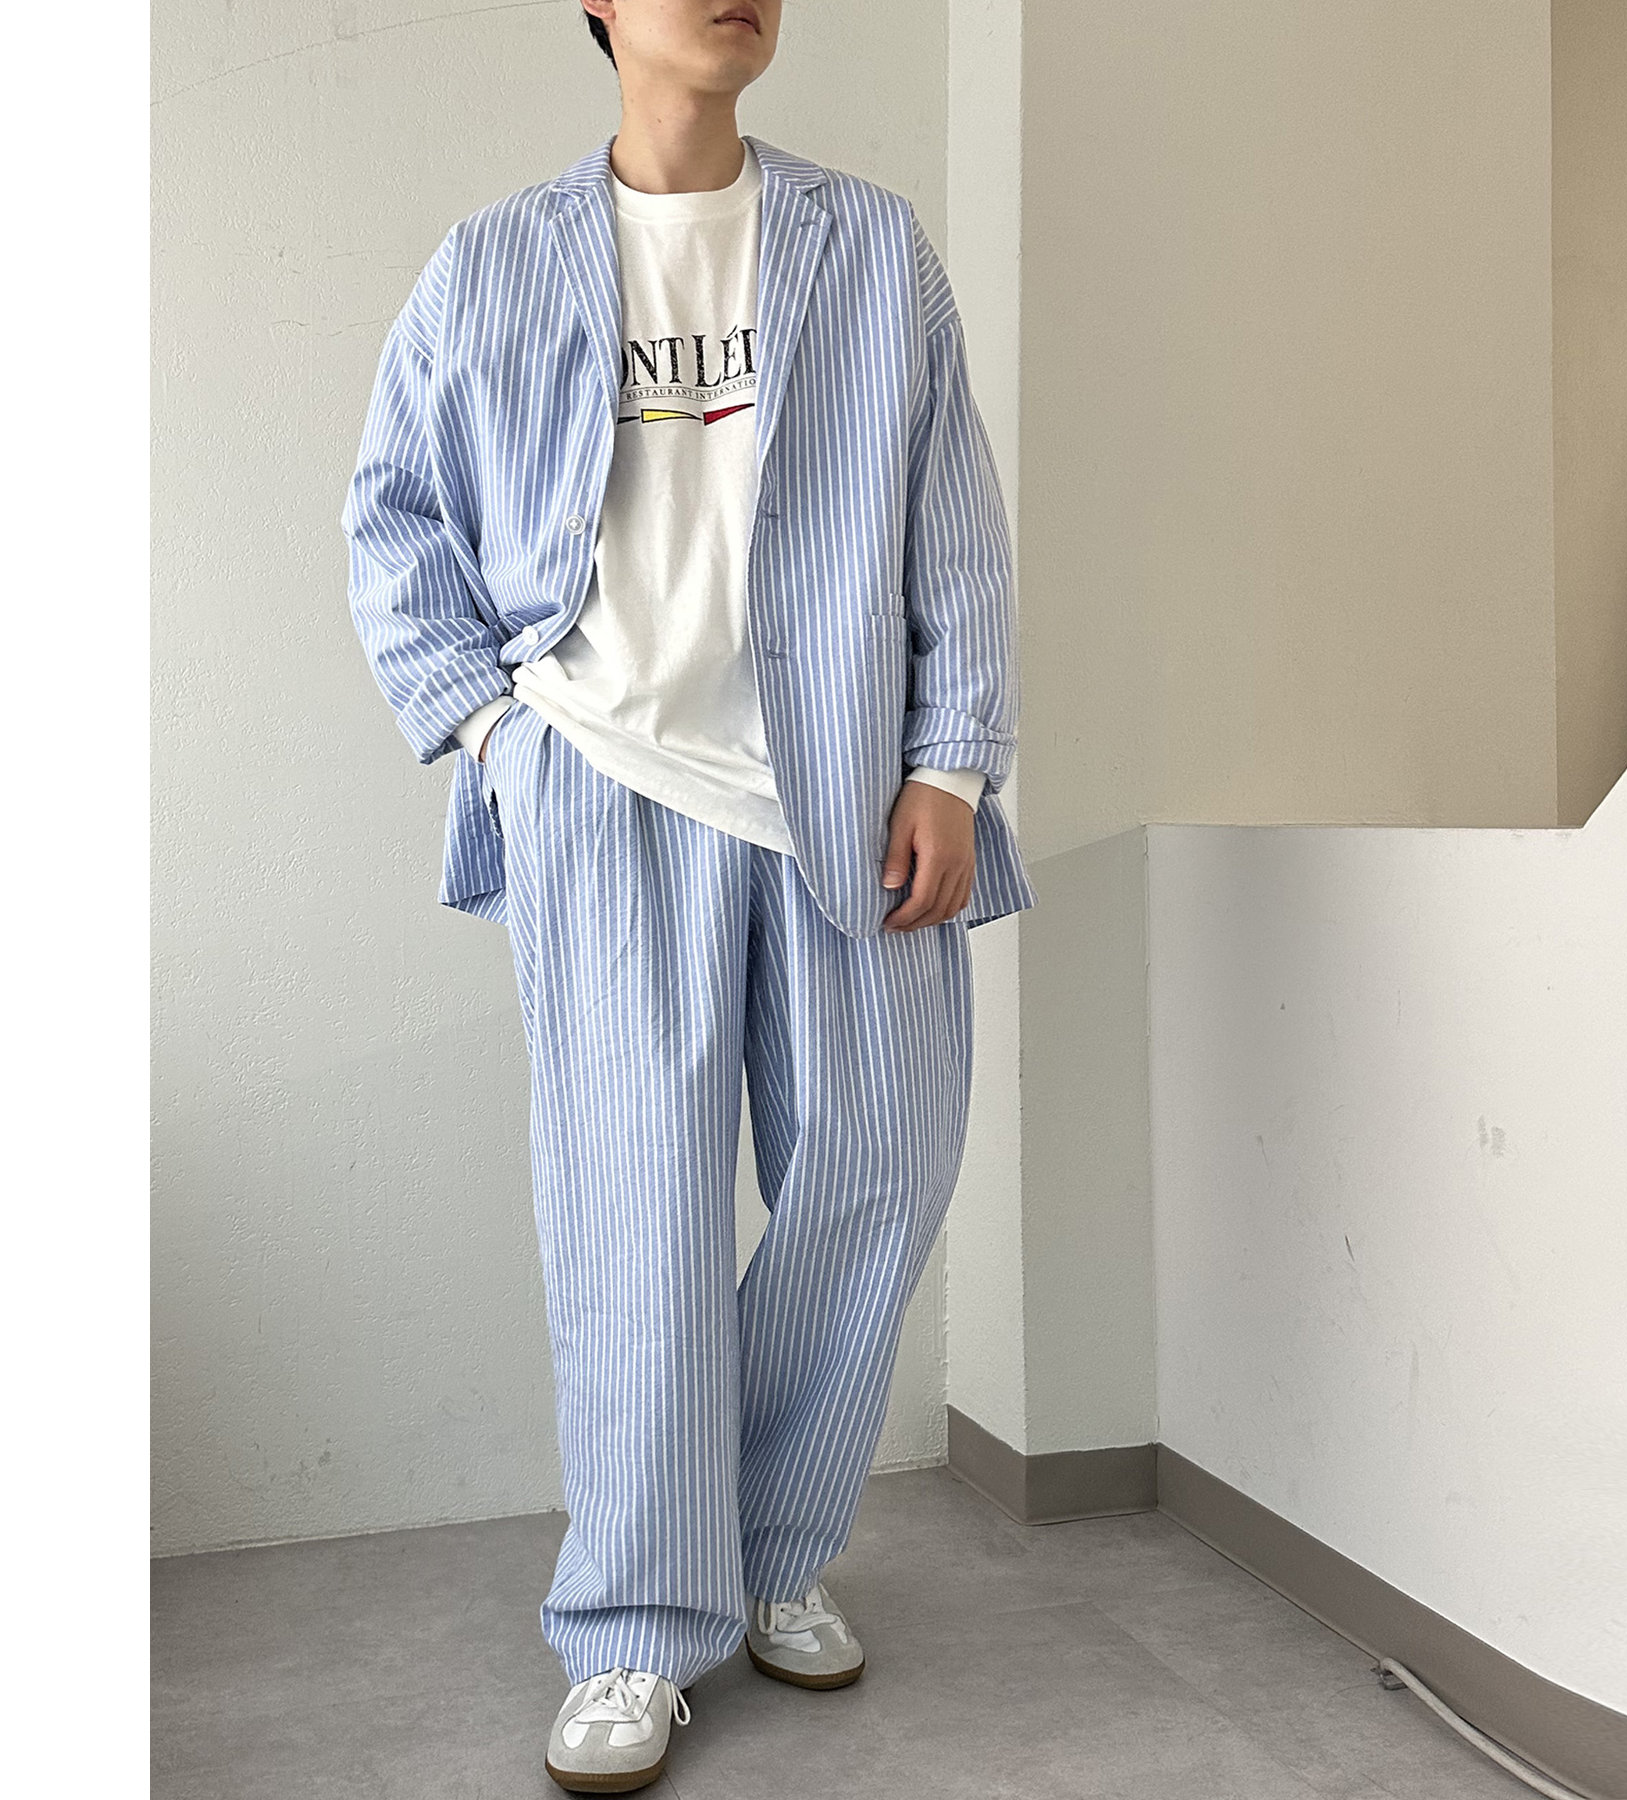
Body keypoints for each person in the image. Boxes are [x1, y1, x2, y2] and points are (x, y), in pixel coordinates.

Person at [341, 0, 1035, 1788]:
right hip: (607, 789)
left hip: (846, 796)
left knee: (881, 1164)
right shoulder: (492, 266)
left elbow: (952, 514)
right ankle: (639, 1624)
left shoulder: (870, 247)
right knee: (634, 1218)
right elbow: (392, 518)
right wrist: (495, 736)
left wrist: (953, 762)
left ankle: (767, 1547)